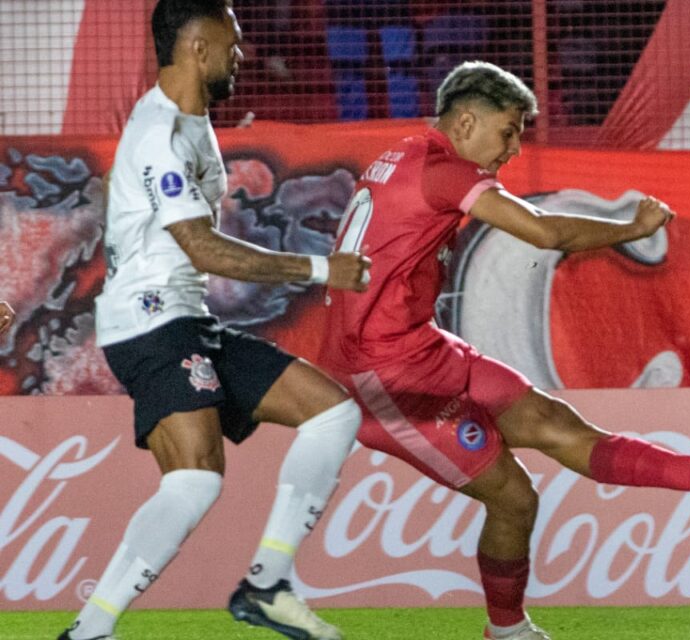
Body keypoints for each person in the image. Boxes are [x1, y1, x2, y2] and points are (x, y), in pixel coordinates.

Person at [319, 61, 690, 640]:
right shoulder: (443, 170)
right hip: (382, 375)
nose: (513, 149)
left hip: (420, 347)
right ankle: (507, 631)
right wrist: (632, 229)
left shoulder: (404, 154)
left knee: (553, 423)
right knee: (514, 498)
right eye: (509, 132)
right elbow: (545, 233)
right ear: (466, 123)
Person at [60, 2, 371, 639]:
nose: (242, 55)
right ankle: (90, 631)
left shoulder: (188, 121)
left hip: (184, 318)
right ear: (198, 47)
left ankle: (266, 585)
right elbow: (203, 249)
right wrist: (321, 270)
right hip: (148, 323)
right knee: (195, 480)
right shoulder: (161, 134)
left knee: (333, 414)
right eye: (233, 43)